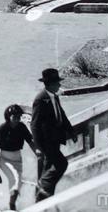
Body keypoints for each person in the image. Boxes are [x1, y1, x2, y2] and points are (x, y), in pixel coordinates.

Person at [31, 68, 76, 202]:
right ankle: (42, 187)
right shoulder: (40, 99)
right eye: (57, 83)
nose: (59, 85)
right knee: (61, 163)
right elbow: (34, 125)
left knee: (48, 169)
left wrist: (71, 131)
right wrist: (39, 146)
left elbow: (61, 115)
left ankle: (43, 199)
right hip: (47, 142)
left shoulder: (54, 96)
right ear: (49, 84)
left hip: (55, 140)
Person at [0, 104, 38, 210]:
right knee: (16, 179)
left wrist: (38, 153)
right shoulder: (2, 128)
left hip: (17, 157)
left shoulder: (22, 127)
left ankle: (10, 202)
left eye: (19, 117)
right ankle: (12, 206)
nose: (17, 119)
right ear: (9, 117)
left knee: (18, 182)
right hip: (4, 158)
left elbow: (30, 141)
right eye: (15, 117)